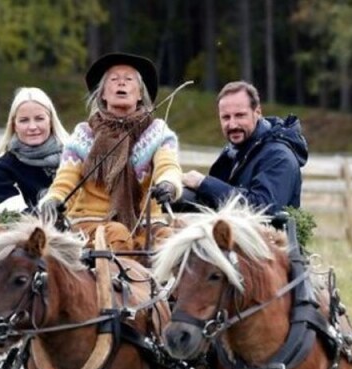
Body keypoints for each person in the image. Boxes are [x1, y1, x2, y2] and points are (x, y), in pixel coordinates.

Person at [37, 52, 182, 252]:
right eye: (114, 79)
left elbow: (168, 166)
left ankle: (164, 285)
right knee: (118, 234)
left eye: (129, 79)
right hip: (92, 223)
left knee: (170, 240)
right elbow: (65, 179)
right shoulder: (83, 135)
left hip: (146, 223)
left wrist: (168, 184)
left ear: (140, 94)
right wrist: (54, 199)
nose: (121, 83)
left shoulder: (158, 132)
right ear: (103, 94)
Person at [175, 81, 308, 215]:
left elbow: (264, 209)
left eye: (240, 115)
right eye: (226, 117)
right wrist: (175, 193)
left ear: (257, 112)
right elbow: (215, 202)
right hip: (231, 234)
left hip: (265, 236)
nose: (232, 125)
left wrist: (203, 183)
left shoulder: (279, 156)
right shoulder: (235, 152)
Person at [0, 87, 70, 214]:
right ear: (14, 125)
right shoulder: (2, 168)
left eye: (39, 118)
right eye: (24, 120)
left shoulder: (73, 158)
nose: (32, 127)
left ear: (51, 121)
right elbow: (13, 216)